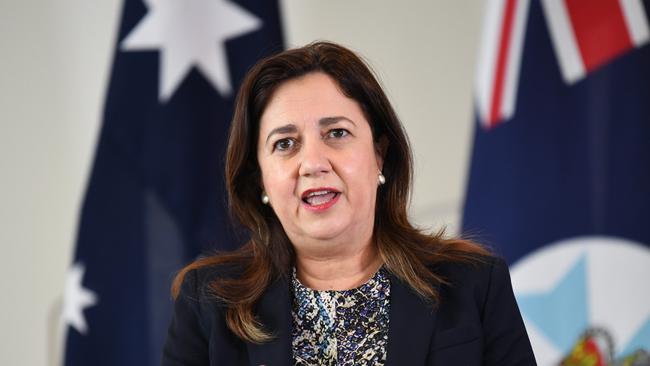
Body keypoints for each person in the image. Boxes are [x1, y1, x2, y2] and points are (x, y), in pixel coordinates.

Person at [161, 41, 536, 365]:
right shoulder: (207, 302)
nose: (313, 163)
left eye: (336, 133)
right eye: (285, 143)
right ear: (260, 178)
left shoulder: (473, 285)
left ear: (380, 155)